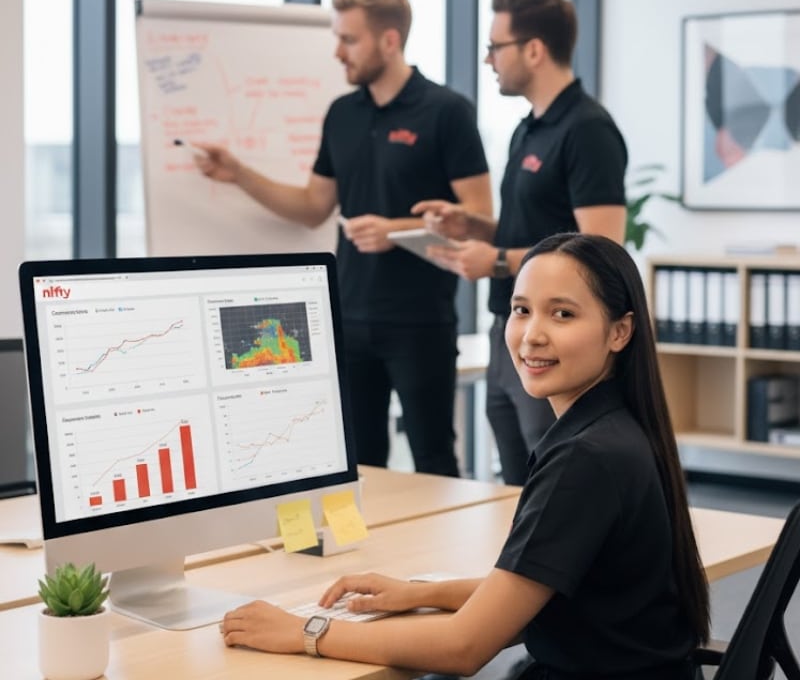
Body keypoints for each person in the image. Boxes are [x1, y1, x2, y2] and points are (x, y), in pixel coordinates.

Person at [220, 233, 710, 680]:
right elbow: (535, 584)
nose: (532, 334)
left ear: (620, 332)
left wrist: (305, 632)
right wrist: (421, 592)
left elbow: (464, 647)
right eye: (521, 310)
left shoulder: (586, 458)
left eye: (562, 314)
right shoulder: (616, 427)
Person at [193, 0, 492, 477]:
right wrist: (238, 174)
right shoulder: (342, 114)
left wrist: (394, 229)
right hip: (347, 318)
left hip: (420, 322)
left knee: (434, 460)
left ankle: (444, 559)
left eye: (348, 40)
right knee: (356, 463)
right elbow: (313, 205)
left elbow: (478, 215)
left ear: (389, 41)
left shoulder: (446, 112)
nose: (337, 53)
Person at [414, 0, 628, 485]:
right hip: (509, 329)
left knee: (556, 477)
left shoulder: (587, 129)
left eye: (496, 46)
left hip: (553, 337)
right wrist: (474, 228)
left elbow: (601, 247)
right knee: (516, 483)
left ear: (534, 50)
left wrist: (497, 261)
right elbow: (542, 232)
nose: (488, 59)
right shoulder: (527, 129)